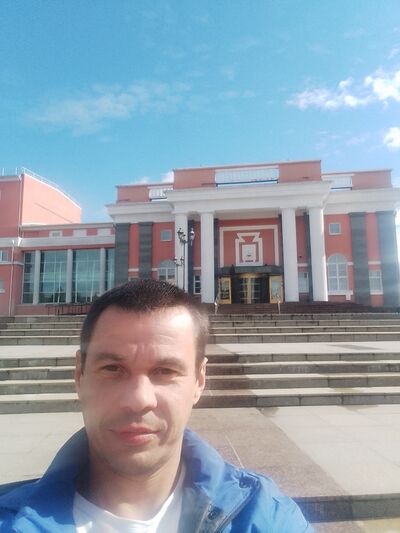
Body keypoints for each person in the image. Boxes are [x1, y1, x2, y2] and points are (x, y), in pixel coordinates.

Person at [0, 279, 312, 532]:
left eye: (165, 371)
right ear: (79, 375)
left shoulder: (266, 517)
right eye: (112, 369)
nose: (139, 400)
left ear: (199, 381)